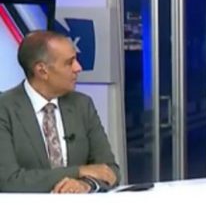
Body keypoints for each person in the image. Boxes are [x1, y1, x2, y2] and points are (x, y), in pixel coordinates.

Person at [0, 30, 120, 193]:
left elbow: (109, 170)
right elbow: (8, 180)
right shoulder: (4, 108)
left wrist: (87, 184)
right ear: (42, 71)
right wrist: (79, 171)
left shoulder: (82, 105)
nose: (78, 68)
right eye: (69, 63)